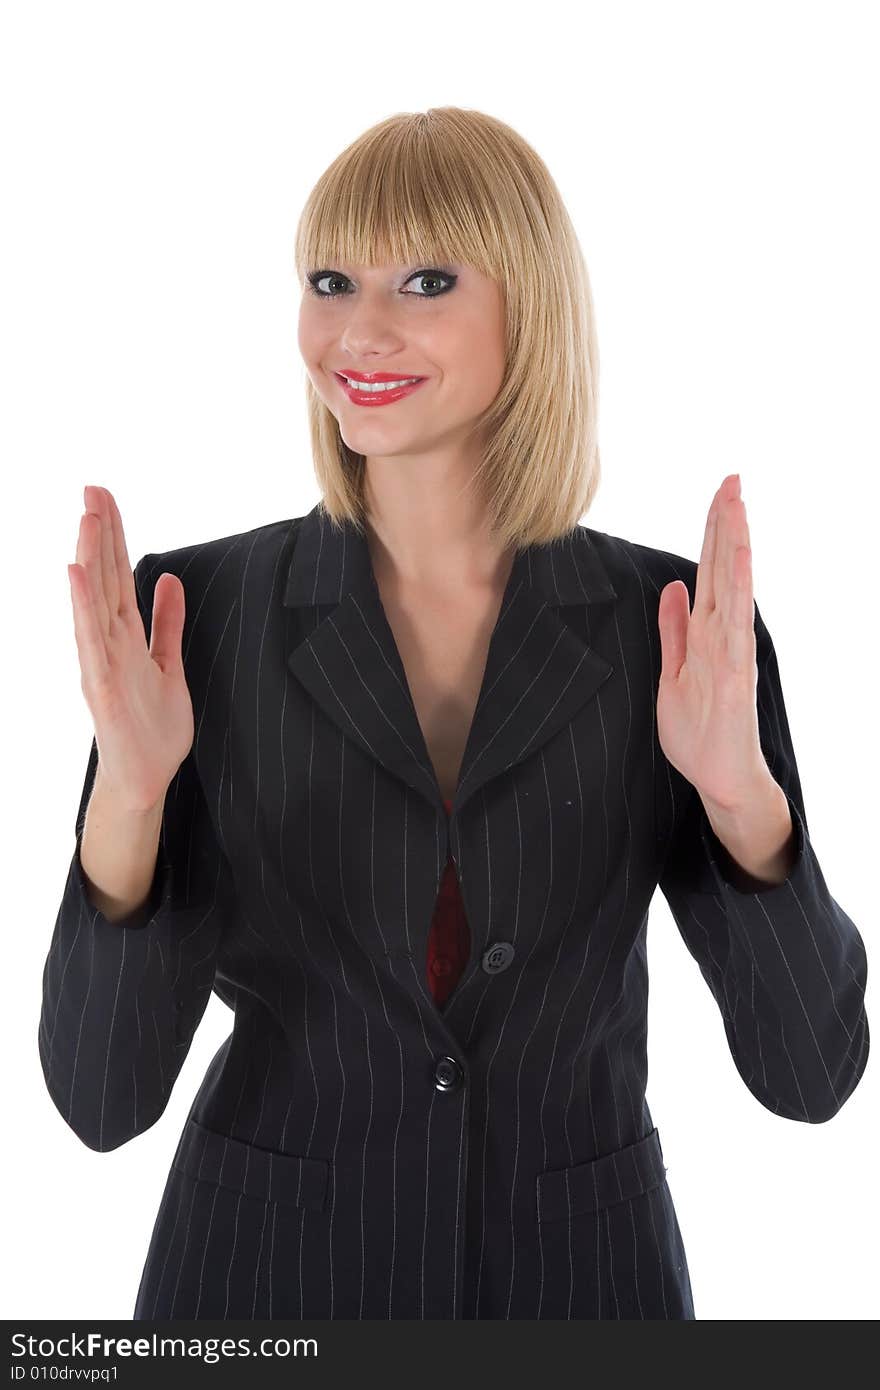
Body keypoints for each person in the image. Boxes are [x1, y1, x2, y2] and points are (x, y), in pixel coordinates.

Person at [38, 106, 869, 1321]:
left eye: (424, 280)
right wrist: (132, 795)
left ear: (527, 305)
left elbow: (810, 1076)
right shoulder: (195, 615)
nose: (358, 330)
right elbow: (97, 1103)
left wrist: (741, 803)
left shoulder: (671, 622)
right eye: (330, 280)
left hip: (583, 1287)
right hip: (261, 1286)